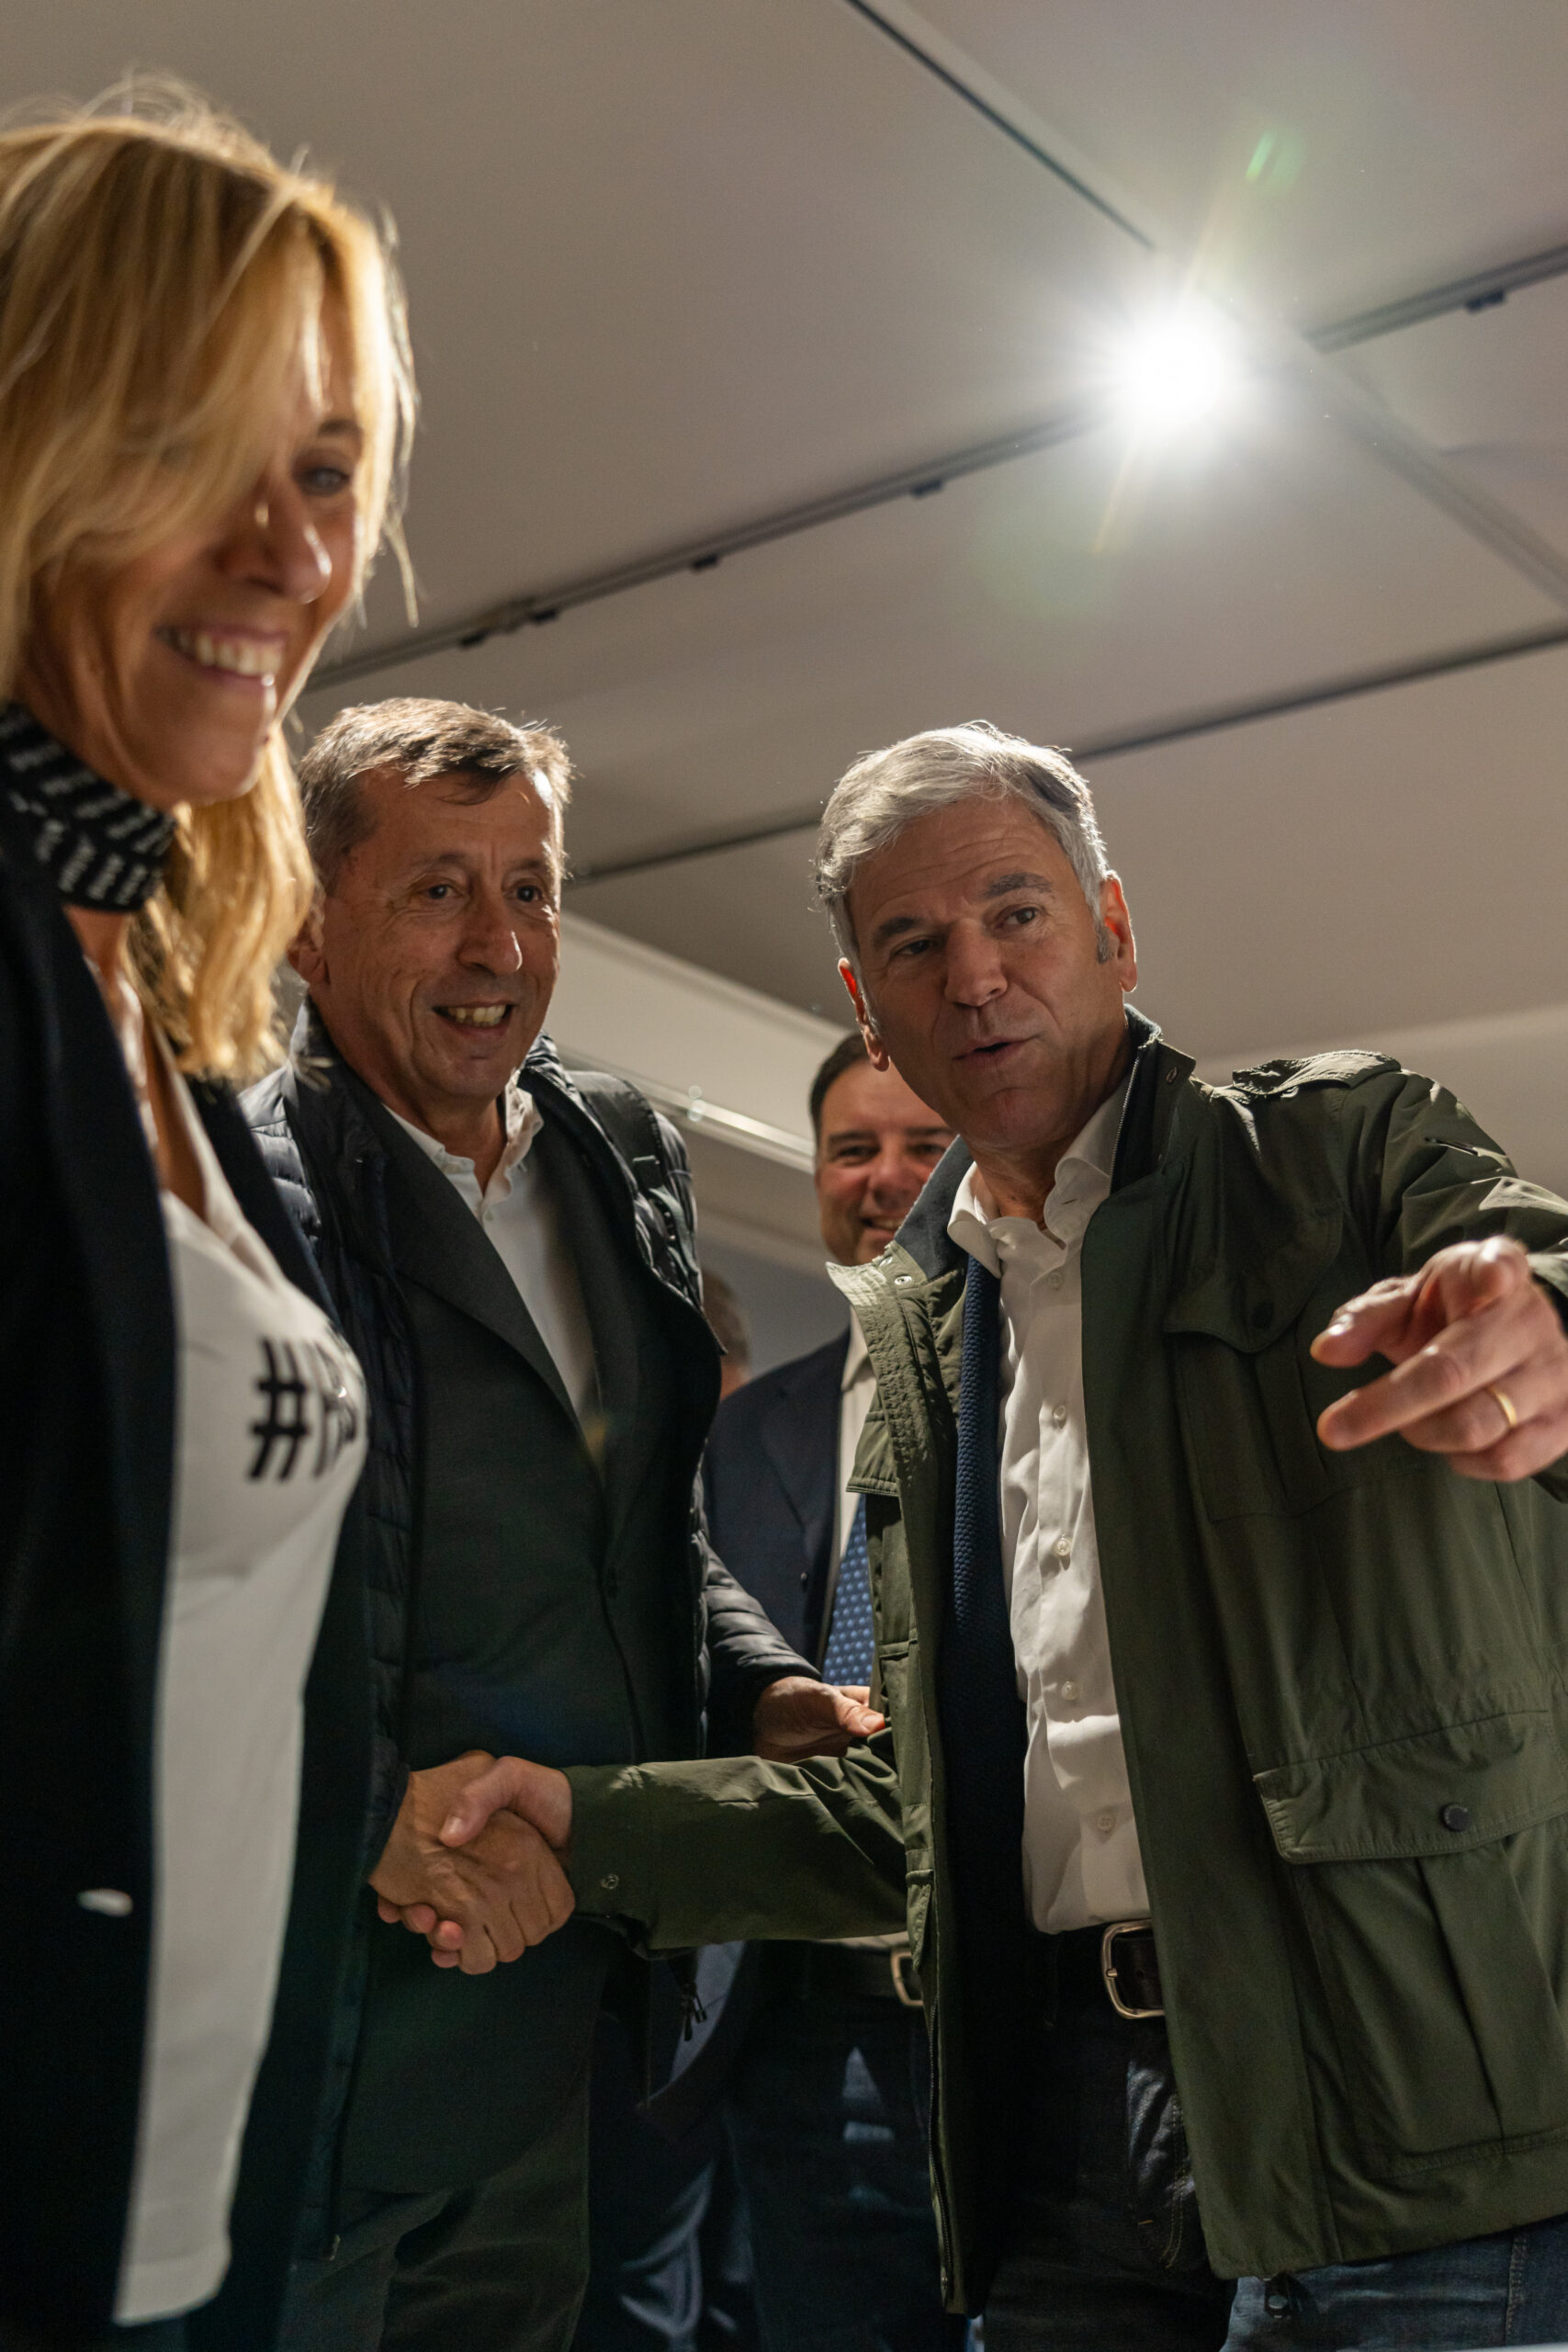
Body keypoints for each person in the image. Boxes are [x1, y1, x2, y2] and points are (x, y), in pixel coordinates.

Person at [453, 720, 1568, 2352]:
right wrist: (588, 1825)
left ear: (1113, 927)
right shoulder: (930, 1328)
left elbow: (1531, 1258)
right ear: (869, 1007)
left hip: (1416, 2134)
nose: (973, 976)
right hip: (1064, 2142)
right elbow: (930, 1816)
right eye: (914, 944)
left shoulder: (1337, 1153)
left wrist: (1543, 1319)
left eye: (1017, 914)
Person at [245, 695, 878, 2352]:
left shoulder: (620, 1153)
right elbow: (155, 1602)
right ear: (306, 923)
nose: (501, 946)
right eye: (437, 890)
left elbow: (642, 1513)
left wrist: (757, 1682)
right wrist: (364, 1812)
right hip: (321, 2018)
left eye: (529, 888)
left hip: (564, 2008)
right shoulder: (232, 1189)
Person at [0, 91, 415, 2352]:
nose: (288, 549)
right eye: (192, 447)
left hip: (177, 2226)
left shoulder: (168, 1013)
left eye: (327, 470)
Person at [580, 1040, 955, 2352]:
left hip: (1008, 2013)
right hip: (794, 2030)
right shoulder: (742, 1429)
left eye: (923, 1145)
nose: (885, 1178)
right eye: (853, 1150)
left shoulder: (1044, 1406)